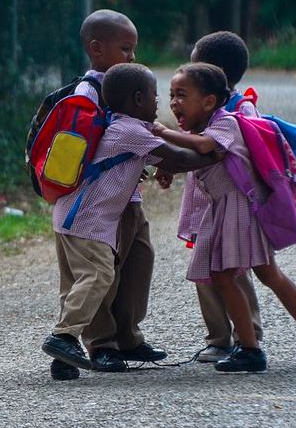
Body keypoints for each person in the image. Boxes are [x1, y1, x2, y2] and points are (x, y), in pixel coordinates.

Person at [152, 62, 296, 373]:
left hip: (238, 210)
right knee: (265, 274)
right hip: (229, 210)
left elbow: (204, 147)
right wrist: (168, 167)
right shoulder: (201, 128)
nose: (173, 102)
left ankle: (250, 349)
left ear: (209, 101)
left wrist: (162, 132)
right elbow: (196, 157)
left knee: (226, 276)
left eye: (181, 95)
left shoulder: (226, 123)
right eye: (171, 95)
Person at [42, 63, 220, 377]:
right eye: (154, 97)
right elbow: (179, 159)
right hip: (86, 221)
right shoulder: (130, 131)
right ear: (138, 99)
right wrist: (216, 152)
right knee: (99, 275)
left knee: (77, 284)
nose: (158, 103)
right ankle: (63, 337)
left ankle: (64, 360)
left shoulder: (122, 127)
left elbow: (162, 158)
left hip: (71, 215)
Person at [49, 10, 162, 381]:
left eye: (133, 49)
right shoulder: (90, 94)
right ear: (96, 49)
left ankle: (127, 336)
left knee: (137, 261)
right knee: (99, 272)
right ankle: (101, 344)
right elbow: (86, 148)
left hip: (126, 197)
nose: (132, 56)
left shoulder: (126, 86)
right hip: (94, 204)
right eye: (125, 48)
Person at [156, 31, 264, 363]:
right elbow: (189, 146)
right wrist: (170, 165)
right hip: (205, 203)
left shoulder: (240, 110)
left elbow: (229, 152)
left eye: (194, 66)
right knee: (204, 268)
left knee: (234, 270)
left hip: (232, 204)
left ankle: (248, 335)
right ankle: (219, 338)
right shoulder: (196, 108)